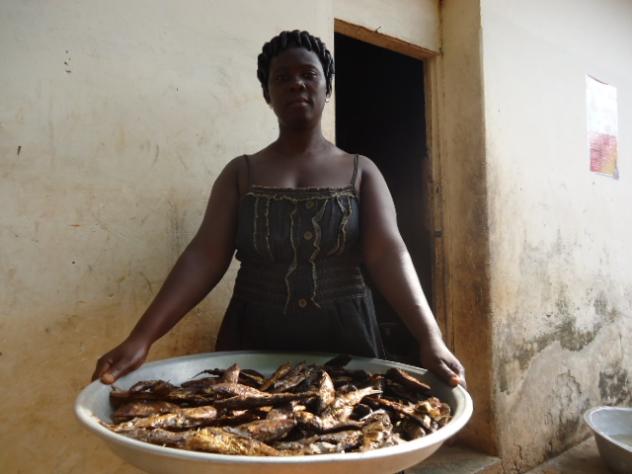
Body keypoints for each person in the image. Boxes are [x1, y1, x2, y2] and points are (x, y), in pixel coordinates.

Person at [92, 30, 466, 388]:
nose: (296, 84)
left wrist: (429, 337)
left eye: (309, 74)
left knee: (344, 424)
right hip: (254, 337)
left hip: (347, 339)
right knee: (253, 425)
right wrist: (142, 338)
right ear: (267, 94)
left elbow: (388, 254)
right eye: (282, 77)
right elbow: (204, 257)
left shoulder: (361, 171)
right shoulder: (241, 174)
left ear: (327, 87)